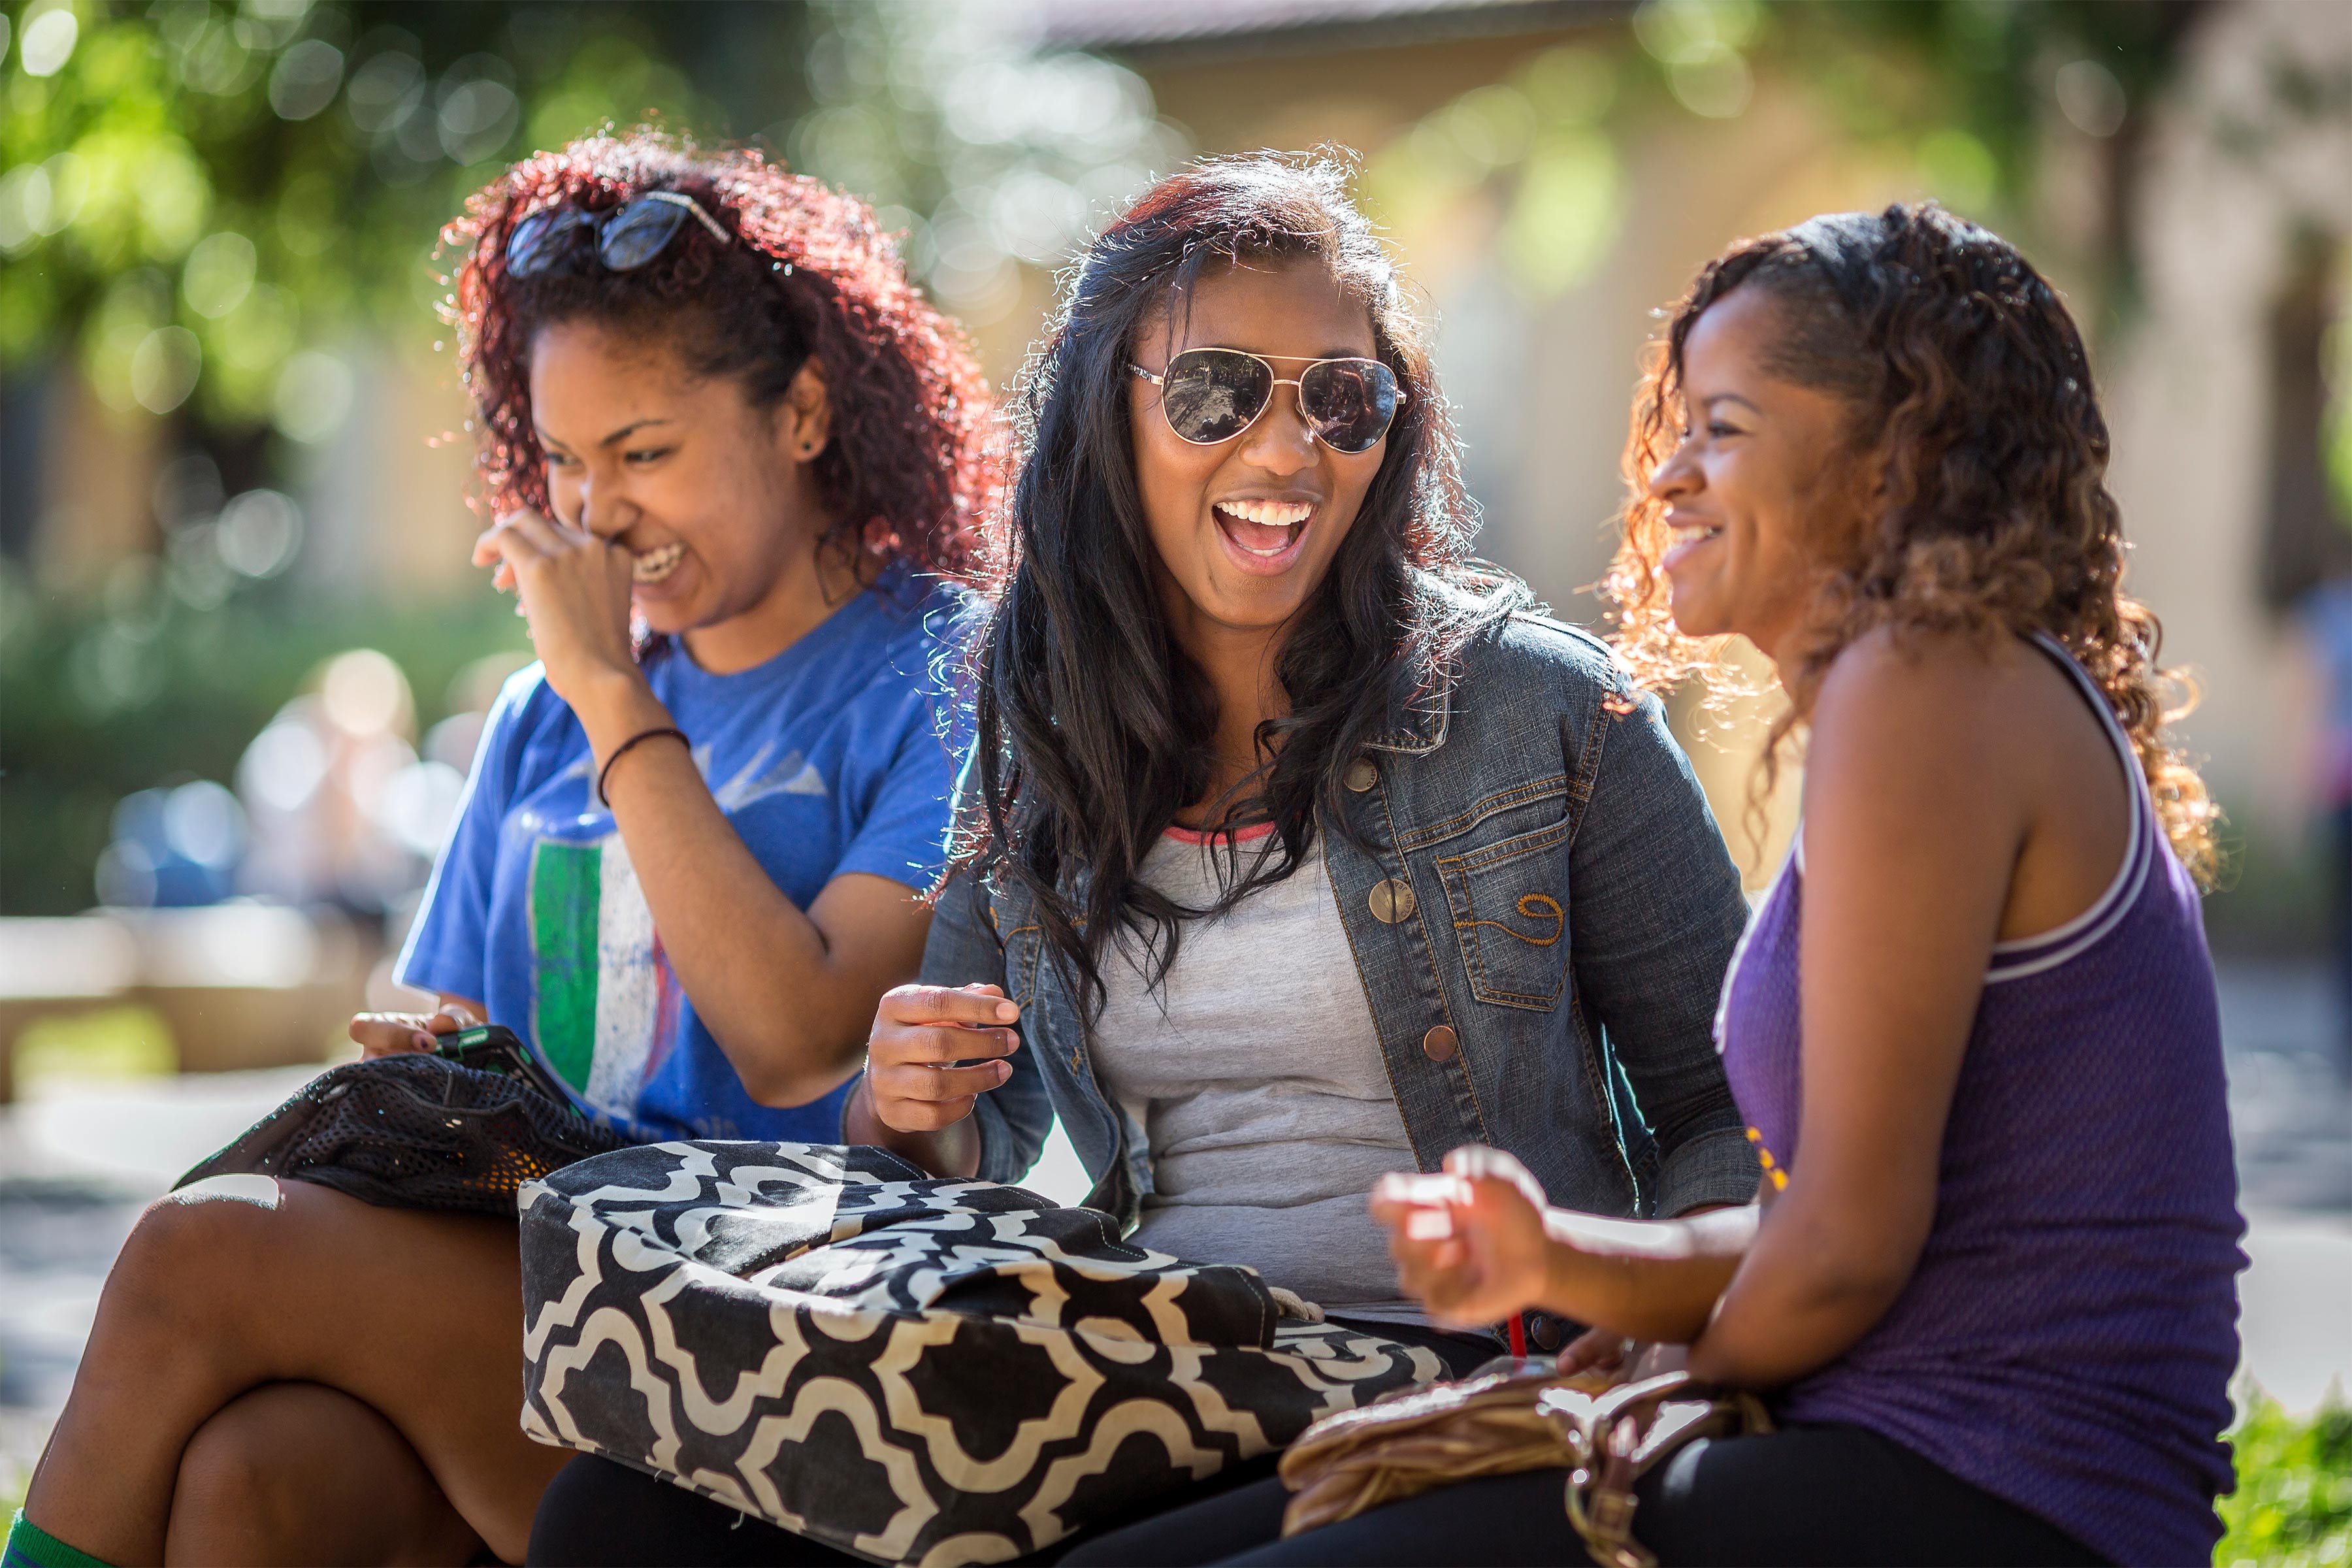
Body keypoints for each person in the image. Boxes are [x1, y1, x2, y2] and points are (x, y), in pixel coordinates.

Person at [527, 154, 1762, 1565]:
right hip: (1152, 1368)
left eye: (1342, 399)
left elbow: (1734, 1109)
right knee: (613, 1520)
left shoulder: (1542, 710)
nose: (1288, 453)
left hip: (1453, 1383)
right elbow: (963, 1149)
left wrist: (1643, 1333)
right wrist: (908, 1101)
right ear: (1109, 412)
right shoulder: (1041, 733)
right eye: (1216, 392)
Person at [9, 133, 993, 1568]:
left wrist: (612, 695)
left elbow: (799, 1041)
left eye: (645, 453)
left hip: (772, 1334)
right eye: (565, 461)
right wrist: (442, 1063)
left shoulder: (940, 675)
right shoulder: (543, 712)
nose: (595, 514)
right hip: (537, 1289)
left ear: (802, 414)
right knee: (253, 1478)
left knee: (200, 1249)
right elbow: (461, 1039)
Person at [1211, 203, 2244, 1567]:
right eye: (1679, 425)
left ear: (1893, 459)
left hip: (1999, 1491)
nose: (1671, 475)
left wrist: (1668, 1385)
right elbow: (1809, 1227)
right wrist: (1557, 1262)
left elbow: (1848, 1252)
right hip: (1922, 1459)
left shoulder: (1925, 689)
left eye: (1727, 428)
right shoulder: (1945, 689)